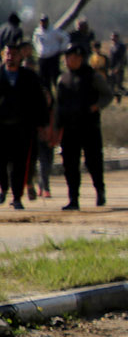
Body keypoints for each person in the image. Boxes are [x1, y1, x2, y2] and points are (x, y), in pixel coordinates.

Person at [54, 43, 112, 210]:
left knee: (93, 161)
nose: (68, 61)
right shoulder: (62, 79)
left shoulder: (93, 76)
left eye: (71, 58)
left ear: (79, 58)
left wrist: (96, 106)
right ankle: (73, 198)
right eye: (66, 58)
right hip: (69, 129)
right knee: (70, 164)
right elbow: (59, 105)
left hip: (89, 127)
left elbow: (107, 95)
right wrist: (57, 128)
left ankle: (100, 191)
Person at [0, 41, 47, 209]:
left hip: (22, 128)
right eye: (7, 54)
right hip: (2, 128)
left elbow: (40, 102)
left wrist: (42, 125)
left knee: (20, 164)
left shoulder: (29, 77)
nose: (10, 57)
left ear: (20, 57)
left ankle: (17, 197)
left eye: (14, 54)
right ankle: (3, 188)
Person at [33, 14, 67, 88]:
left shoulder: (54, 30)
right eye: (42, 21)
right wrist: (39, 50)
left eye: (45, 21)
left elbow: (65, 37)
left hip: (53, 57)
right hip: (42, 58)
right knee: (44, 80)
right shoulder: (37, 32)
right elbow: (35, 42)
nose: (43, 23)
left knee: (55, 78)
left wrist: (61, 49)